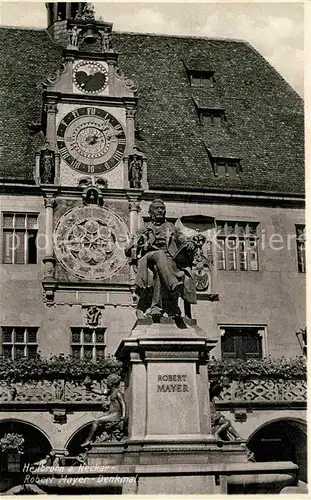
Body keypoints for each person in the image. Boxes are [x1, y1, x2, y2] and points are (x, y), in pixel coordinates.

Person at [125, 199, 197, 320]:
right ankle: (173, 285)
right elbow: (127, 250)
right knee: (159, 254)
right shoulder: (144, 229)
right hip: (149, 259)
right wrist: (139, 241)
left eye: (162, 208)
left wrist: (189, 243)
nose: (160, 210)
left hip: (170, 262)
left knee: (159, 269)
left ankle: (156, 307)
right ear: (150, 213)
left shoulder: (172, 228)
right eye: (156, 208)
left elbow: (182, 237)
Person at [81, 374, 126, 447]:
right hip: (111, 413)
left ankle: (88, 440)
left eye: (107, 382)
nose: (106, 384)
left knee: (97, 421)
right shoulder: (111, 392)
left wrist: (123, 416)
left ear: (112, 384)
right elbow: (102, 392)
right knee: (98, 422)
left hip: (116, 415)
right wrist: (90, 389)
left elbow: (123, 404)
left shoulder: (118, 393)